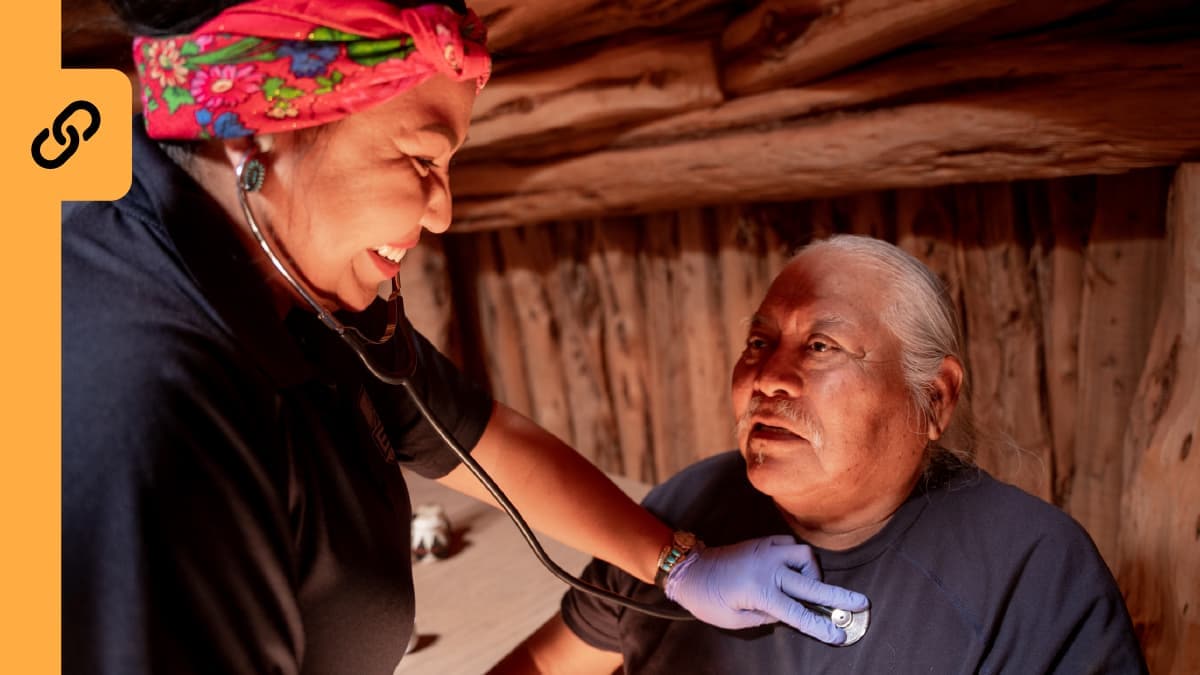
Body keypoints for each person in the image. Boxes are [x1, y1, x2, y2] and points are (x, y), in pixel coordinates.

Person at [61, 2, 869, 673]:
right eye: (420, 159)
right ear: (257, 134)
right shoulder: (147, 407)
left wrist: (677, 562)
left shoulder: (299, 273)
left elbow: (471, 432)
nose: (441, 211)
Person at [492, 234, 1148, 674]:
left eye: (821, 346)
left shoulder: (1030, 571)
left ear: (936, 398)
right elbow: (546, 665)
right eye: (758, 340)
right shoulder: (687, 513)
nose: (768, 376)